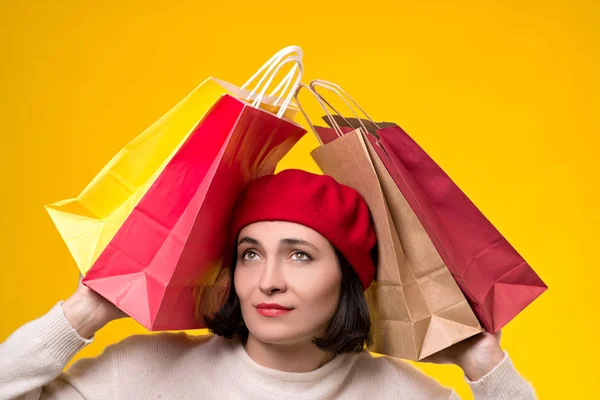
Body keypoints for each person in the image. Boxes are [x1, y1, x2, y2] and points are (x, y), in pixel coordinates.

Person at [0, 169, 536, 399]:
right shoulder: (141, 372)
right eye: (250, 254)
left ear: (348, 279)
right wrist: (78, 318)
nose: (268, 281)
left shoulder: (404, 394)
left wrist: (488, 369)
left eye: (300, 255)